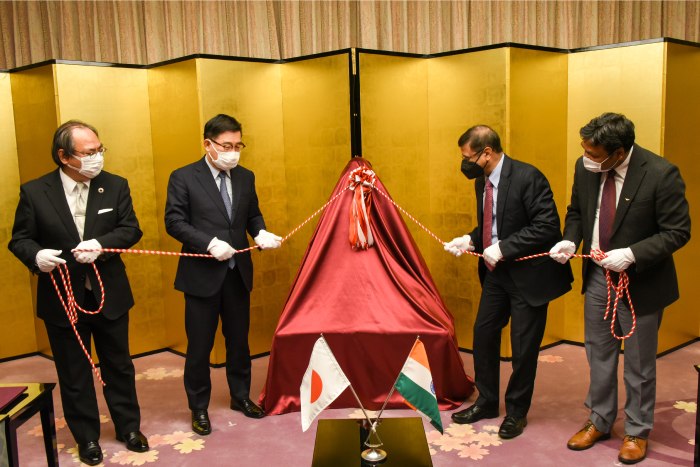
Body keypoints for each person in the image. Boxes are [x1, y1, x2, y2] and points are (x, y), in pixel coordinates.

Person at [550, 113, 691, 464]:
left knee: (639, 363)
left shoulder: (660, 173)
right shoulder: (586, 168)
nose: (587, 158)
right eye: (584, 151)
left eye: (594, 154)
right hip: (598, 277)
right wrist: (570, 239)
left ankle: (637, 430)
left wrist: (631, 254)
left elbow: (677, 231)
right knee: (598, 353)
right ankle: (599, 419)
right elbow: (577, 211)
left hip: (639, 283)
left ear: (618, 152)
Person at [8, 120, 148, 466]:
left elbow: (130, 230)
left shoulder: (115, 185)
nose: (97, 158)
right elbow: (20, 239)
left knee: (119, 366)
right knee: (74, 371)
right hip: (62, 298)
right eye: (88, 153)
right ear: (64, 156)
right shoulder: (35, 191)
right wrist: (35, 256)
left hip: (109, 294)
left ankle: (129, 427)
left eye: (99, 150)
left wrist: (101, 245)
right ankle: (86, 438)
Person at [445, 125, 573, 439]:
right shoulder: (481, 181)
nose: (465, 163)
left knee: (523, 348)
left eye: (468, 157)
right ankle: (487, 402)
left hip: (529, 276)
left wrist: (503, 248)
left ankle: (517, 412)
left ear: (486, 153)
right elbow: (493, 224)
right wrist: (471, 239)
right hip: (496, 275)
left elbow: (547, 226)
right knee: (483, 335)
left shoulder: (529, 177)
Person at [164, 114, 282, 435]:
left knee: (239, 342)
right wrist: (208, 242)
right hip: (201, 274)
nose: (233, 151)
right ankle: (199, 407)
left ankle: (240, 396)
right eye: (226, 145)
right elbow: (174, 222)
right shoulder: (184, 177)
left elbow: (252, 215)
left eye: (238, 145)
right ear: (208, 144)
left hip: (236, 274)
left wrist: (259, 233)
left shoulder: (245, 176)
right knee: (200, 346)